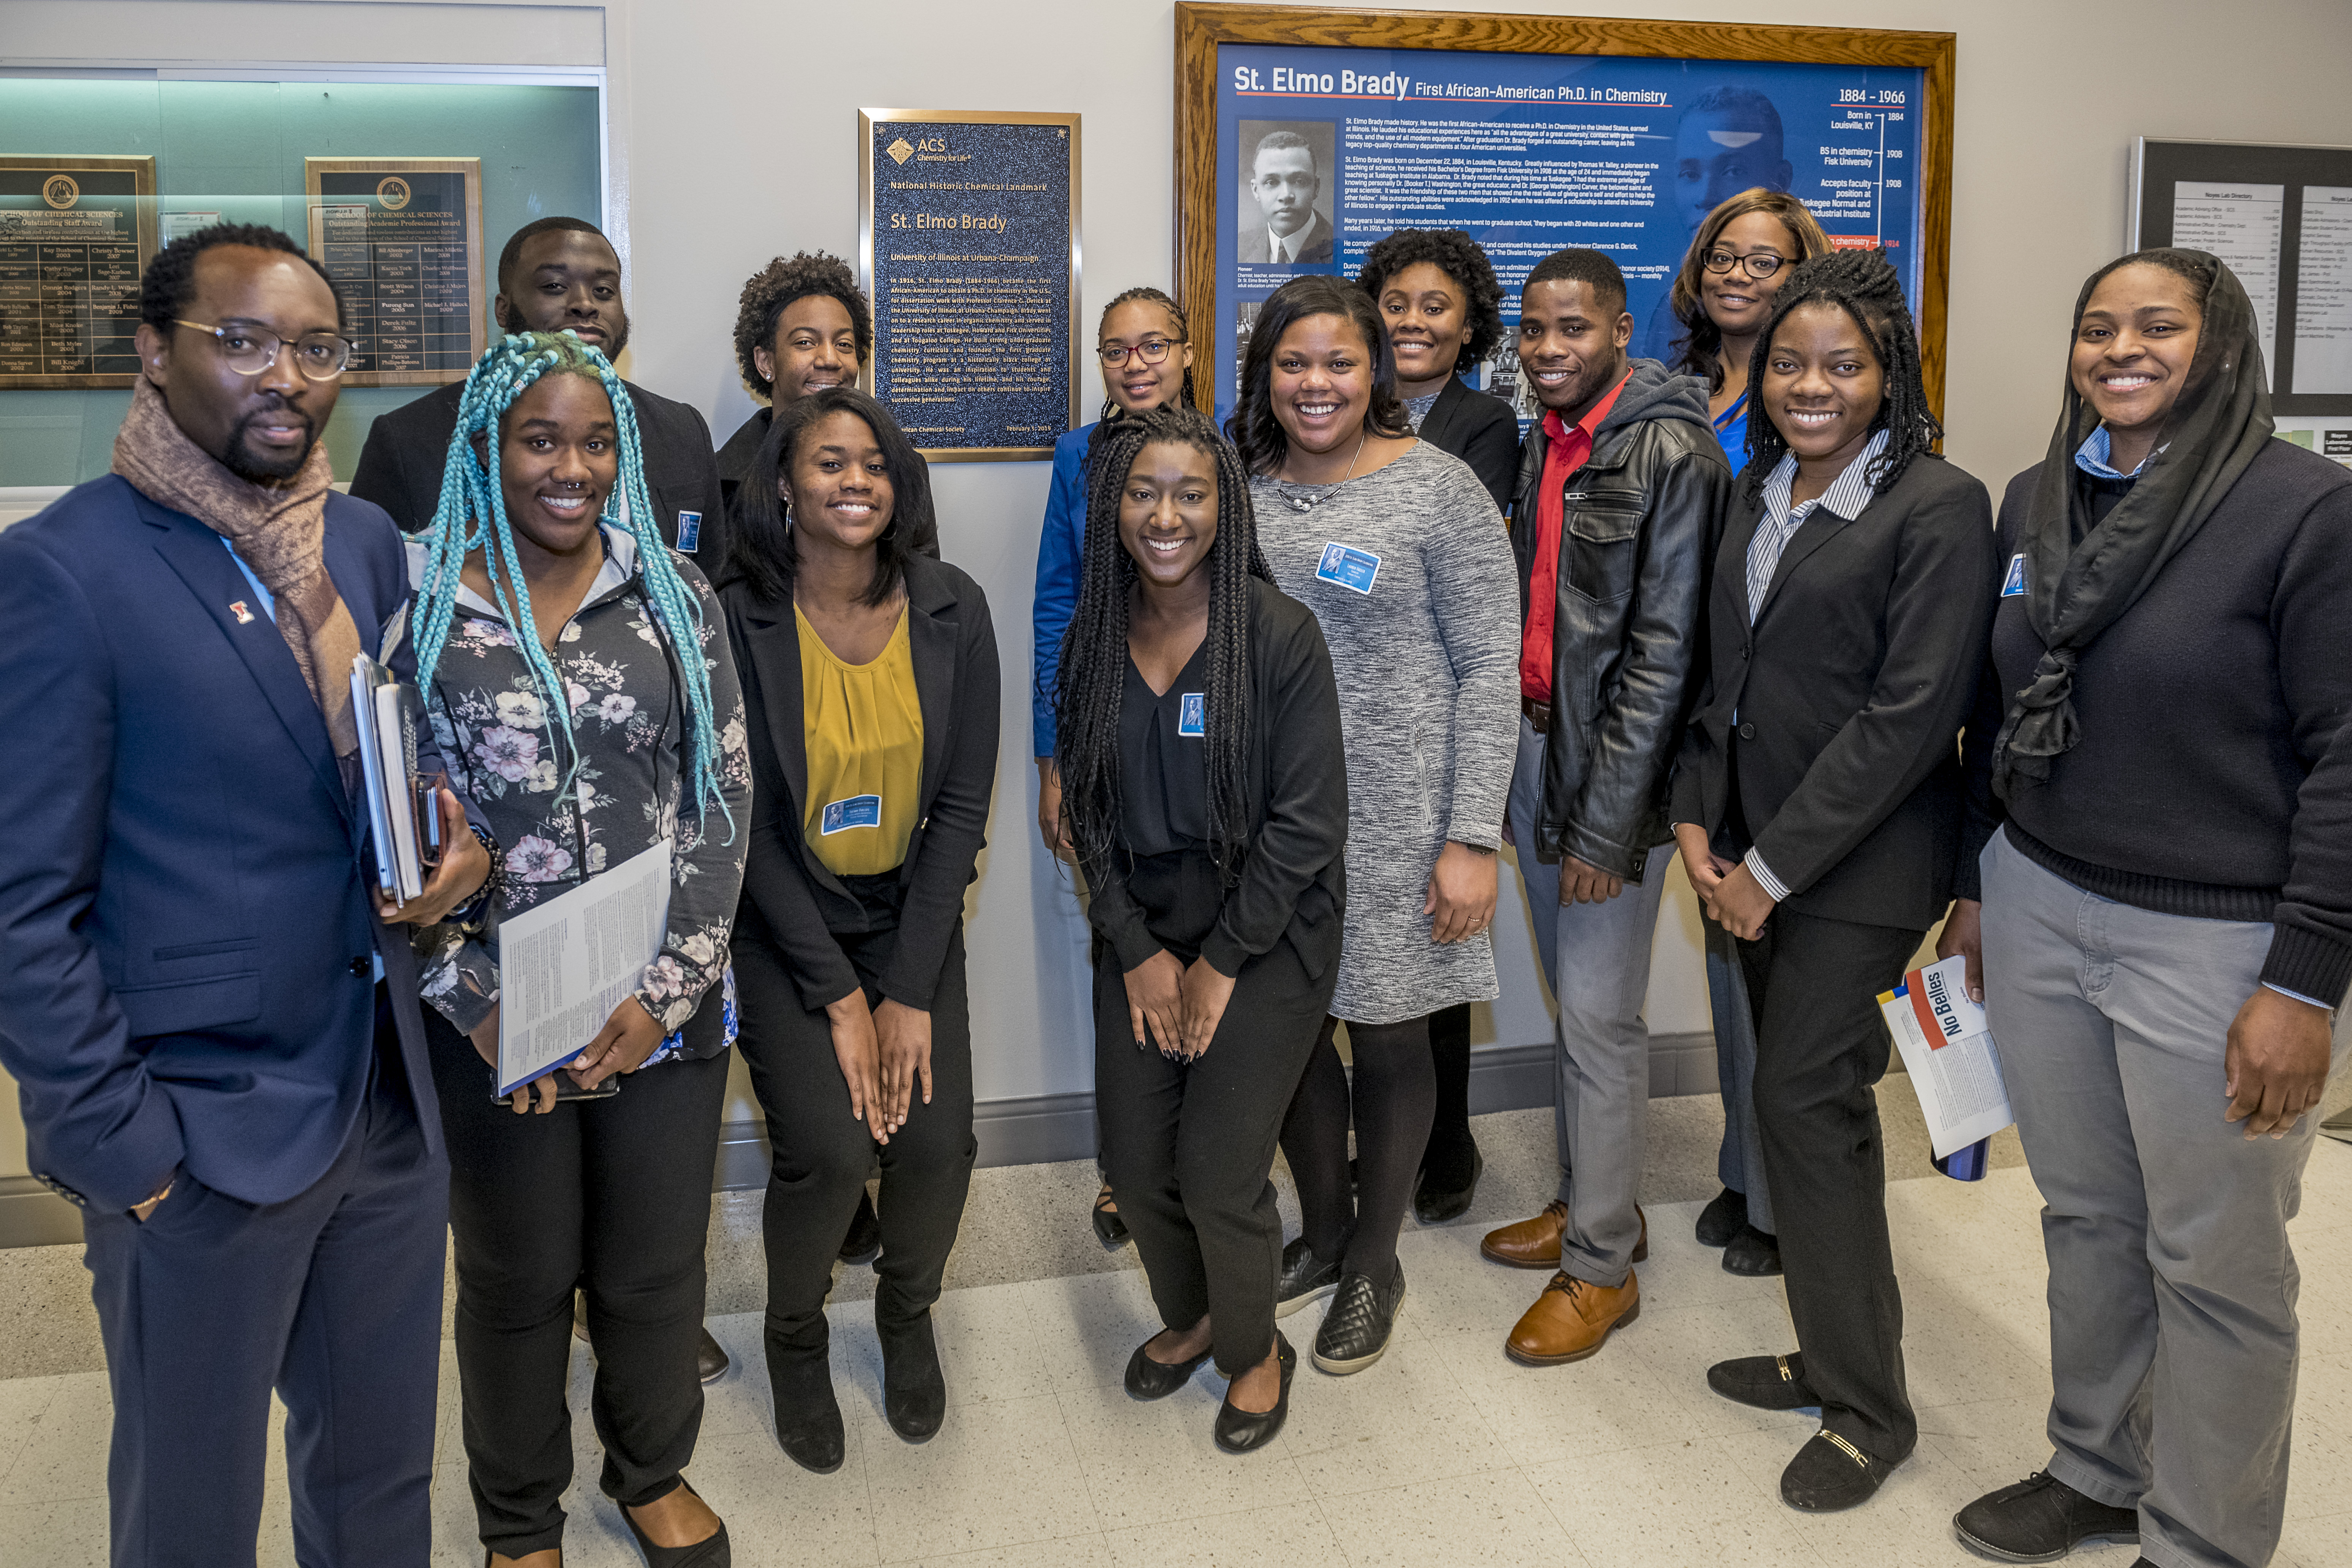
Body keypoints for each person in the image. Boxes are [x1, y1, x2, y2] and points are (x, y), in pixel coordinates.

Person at [0, 223, 491, 1564]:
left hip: (384, 1103)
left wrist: (454, 850)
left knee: (382, 1483)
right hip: (201, 1137)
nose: (288, 375)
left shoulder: (366, 542)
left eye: (318, 348)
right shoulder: (66, 570)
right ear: (155, 351)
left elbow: (405, 756)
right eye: (244, 340)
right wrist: (127, 1156)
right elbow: (20, 905)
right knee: (192, 1513)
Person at [1944, 249, 2352, 1568]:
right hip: (2039, 895)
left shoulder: (2305, 511)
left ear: (2221, 345)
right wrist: (1974, 890)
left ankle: (2206, 1538)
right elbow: (1993, 718)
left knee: (2217, 1257)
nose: (2120, 347)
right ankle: (2097, 1466)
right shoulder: (2034, 500)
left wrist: (2303, 980)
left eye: (2157, 325)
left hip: (2218, 938)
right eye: (2098, 327)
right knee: (2086, 1216)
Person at [406, 330, 750, 1567]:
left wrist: (669, 992)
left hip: (663, 1006)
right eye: (541, 438)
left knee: (654, 1268)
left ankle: (651, 1468)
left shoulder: (672, 594)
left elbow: (722, 796)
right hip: (499, 1016)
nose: (572, 466)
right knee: (517, 1280)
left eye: (595, 440)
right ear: (490, 449)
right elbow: (398, 849)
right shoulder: (428, 614)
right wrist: (474, 993)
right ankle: (518, 1517)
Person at [1671, 249, 1995, 1512]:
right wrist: (1701, 827)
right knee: (1800, 1116)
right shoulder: (1762, 488)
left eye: (1842, 364)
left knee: (1807, 1099)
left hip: (1857, 867)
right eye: (1791, 361)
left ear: (1888, 375)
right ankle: (1827, 1347)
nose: (1812, 384)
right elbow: (1726, 679)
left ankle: (1870, 1406)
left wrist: (1768, 867)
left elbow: (1910, 717)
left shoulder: (1938, 504)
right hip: (1747, 850)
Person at [1229, 274, 1519, 1374]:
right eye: (1294, 363)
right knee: (1292, 1033)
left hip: (1405, 818)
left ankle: (1375, 1263)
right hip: (1272, 820)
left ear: (1377, 372)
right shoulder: (1237, 487)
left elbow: (1492, 667)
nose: (1317, 384)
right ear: (1267, 374)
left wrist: (1472, 837)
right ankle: (1326, 1230)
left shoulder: (1439, 491)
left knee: (1392, 1037)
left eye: (1340, 363)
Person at [719, 387, 999, 1473]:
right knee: (830, 1157)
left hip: (910, 918)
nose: (855, 482)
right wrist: (842, 1000)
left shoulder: (951, 604)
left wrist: (907, 991)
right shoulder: (733, 615)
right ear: (784, 483)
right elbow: (743, 826)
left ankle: (905, 1312)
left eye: (875, 464)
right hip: (779, 921)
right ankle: (795, 1335)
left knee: (938, 1145)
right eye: (830, 463)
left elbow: (964, 807)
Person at [1058, 404, 1347, 1453]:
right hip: (1143, 923)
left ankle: (1252, 1350)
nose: (1166, 515)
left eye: (1192, 493)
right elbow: (1085, 816)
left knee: (1222, 1171)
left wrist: (1219, 965)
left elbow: (1310, 823)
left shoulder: (1278, 634)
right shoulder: (1094, 636)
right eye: (1144, 492)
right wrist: (1138, 952)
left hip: (1266, 927)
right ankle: (1197, 1315)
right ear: (1114, 506)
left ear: (1226, 508)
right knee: (1139, 1170)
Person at [1475, 247, 1730, 1365]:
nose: (1547, 349)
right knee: (1574, 1011)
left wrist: (1607, 825)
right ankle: (1595, 1204)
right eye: (1532, 330)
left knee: (1601, 1019)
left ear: (1620, 330)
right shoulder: (1550, 433)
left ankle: (1603, 1268)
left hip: (1605, 780)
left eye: (1571, 329)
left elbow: (1665, 654)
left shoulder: (1669, 446)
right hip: (1538, 748)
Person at [1664, 187, 1832, 1276]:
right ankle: (1745, 1171)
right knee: (1732, 960)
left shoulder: (1819, 406)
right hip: (1700, 713)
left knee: (1788, 983)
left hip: (1787, 725)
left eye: (1765, 261)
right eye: (1724, 255)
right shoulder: (1679, 393)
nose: (1738, 274)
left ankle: (1788, 1206)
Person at [718, 249, 892, 1264]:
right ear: (761, 359)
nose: (825, 358)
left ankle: (858, 1181)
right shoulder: (719, 465)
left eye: (841, 342)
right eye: (802, 341)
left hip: (867, 789)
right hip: (765, 803)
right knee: (796, 1034)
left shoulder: (884, 459)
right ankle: (832, 1192)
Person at [1032, 285, 1201, 1247]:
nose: (1133, 364)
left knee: (1214, 938)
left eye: (1151, 346)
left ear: (1184, 352)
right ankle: (1123, 1170)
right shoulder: (1076, 458)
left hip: (1203, 726)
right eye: (1113, 350)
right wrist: (1053, 756)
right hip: (1103, 724)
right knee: (1120, 945)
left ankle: (1200, 1155)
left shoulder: (1227, 449)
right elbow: (1055, 605)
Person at [1356, 229, 1519, 1224]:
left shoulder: (1482, 425)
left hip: (1435, 729)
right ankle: (1385, 1141)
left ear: (1469, 330)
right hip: (1351, 740)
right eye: (1398, 303)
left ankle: (1448, 1142)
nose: (1413, 322)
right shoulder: (1340, 408)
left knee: (1436, 949)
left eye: (1436, 308)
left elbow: (1468, 604)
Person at [353, 215, 729, 569]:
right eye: (554, 286)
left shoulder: (682, 430)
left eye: (604, 290)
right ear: (504, 310)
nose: (585, 304)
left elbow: (712, 580)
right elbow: (370, 591)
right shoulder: (406, 439)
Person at [1640, 87, 1796, 362]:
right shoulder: (1676, 311)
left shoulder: (1826, 316)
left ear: (1780, 181)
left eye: (1733, 171)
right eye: (1690, 173)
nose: (1706, 197)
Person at [1238, 130, 1336, 265]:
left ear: (1316, 187)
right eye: (1271, 182)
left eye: (1299, 181)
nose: (1286, 195)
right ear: (1256, 190)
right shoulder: (1238, 248)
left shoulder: (1343, 251)